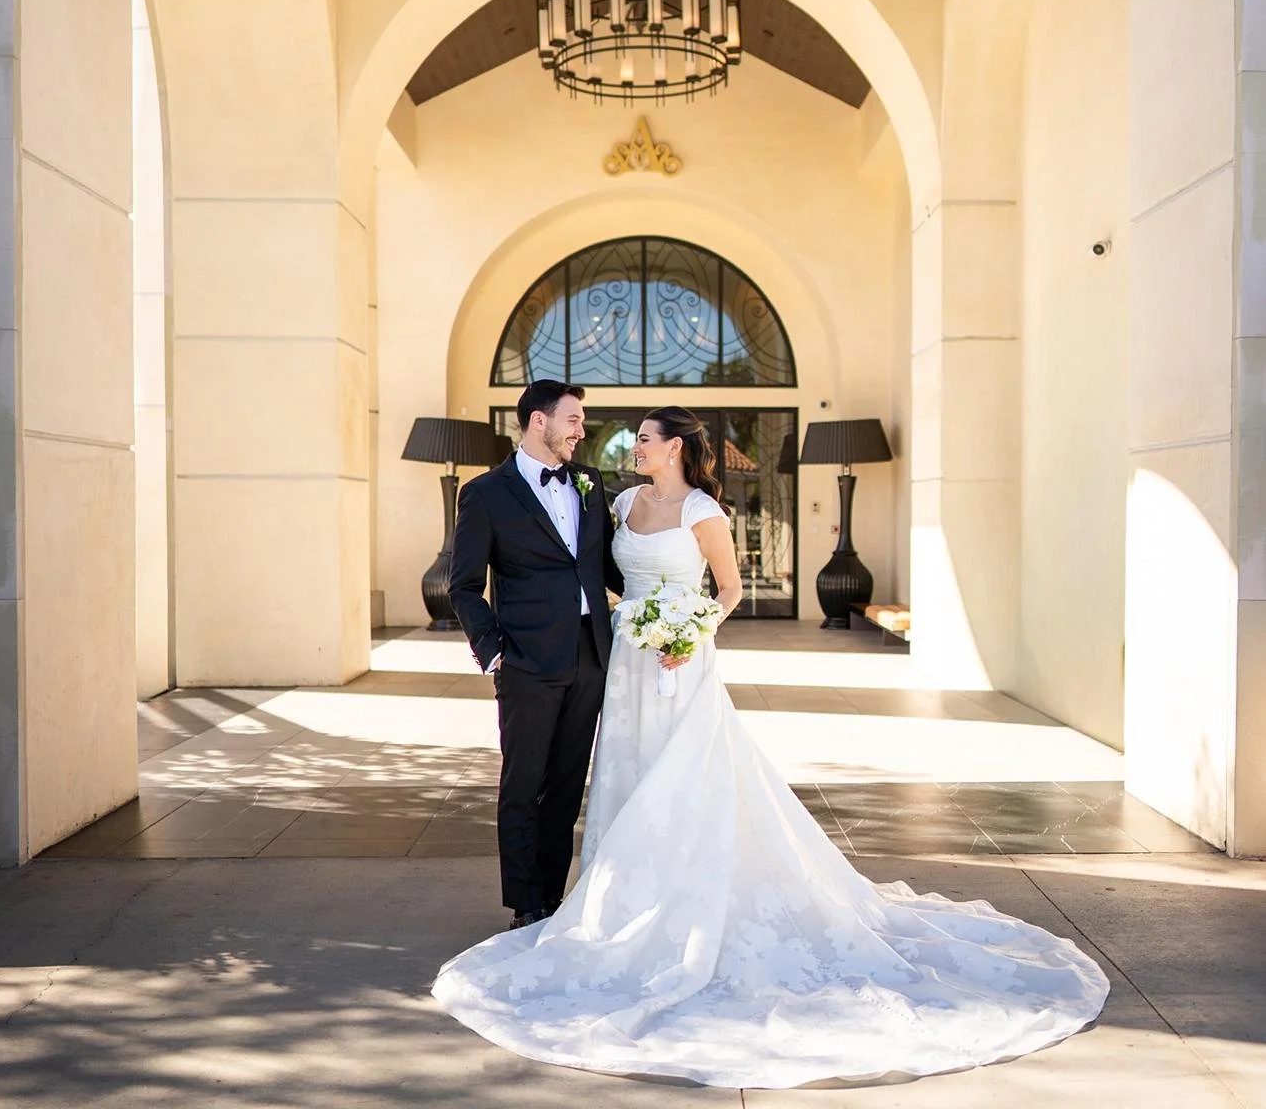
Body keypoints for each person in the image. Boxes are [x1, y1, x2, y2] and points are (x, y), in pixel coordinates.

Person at [435, 406, 1110, 1090]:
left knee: (686, 779)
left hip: (679, 661)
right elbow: (590, 573)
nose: (629, 446)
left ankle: (686, 900)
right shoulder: (622, 500)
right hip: (629, 664)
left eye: (642, 438)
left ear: (673, 447)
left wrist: (691, 629)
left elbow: (726, 589)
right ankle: (616, 903)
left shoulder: (702, 508)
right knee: (625, 775)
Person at [446, 379, 623, 928]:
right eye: (573, 419)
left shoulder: (590, 483)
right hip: (525, 661)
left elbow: (611, 571)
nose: (581, 430)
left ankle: (551, 899)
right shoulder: (485, 493)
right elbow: (464, 586)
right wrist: (495, 653)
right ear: (538, 422)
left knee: (568, 785)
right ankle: (526, 904)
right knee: (523, 785)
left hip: (591, 659)